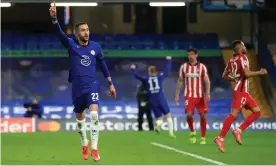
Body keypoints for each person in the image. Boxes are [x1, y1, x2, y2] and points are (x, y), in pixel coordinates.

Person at [49, 2, 116, 161]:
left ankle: (94, 148)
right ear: (77, 33)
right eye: (83, 30)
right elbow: (60, 34)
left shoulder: (96, 47)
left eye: (87, 30)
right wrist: (54, 19)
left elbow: (103, 65)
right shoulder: (71, 45)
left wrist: (110, 83)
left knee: (94, 115)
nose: (86, 33)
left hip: (92, 86)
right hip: (77, 88)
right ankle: (84, 144)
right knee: (80, 121)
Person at [214, 40, 267, 153]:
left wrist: (234, 78)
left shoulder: (232, 60)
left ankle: (238, 130)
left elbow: (224, 76)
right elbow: (247, 73)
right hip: (241, 91)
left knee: (257, 112)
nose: (244, 47)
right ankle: (220, 137)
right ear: (239, 47)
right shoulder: (242, 57)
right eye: (243, 46)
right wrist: (260, 72)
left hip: (243, 91)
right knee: (233, 114)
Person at [130, 56, 176, 138]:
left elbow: (136, 76)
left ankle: (158, 126)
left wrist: (133, 69)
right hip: (160, 98)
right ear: (156, 72)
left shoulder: (146, 79)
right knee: (168, 115)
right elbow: (167, 70)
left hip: (152, 100)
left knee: (160, 117)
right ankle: (171, 133)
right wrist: (169, 61)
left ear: (149, 72)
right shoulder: (160, 77)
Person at [175, 48, 210, 145]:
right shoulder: (184, 67)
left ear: (196, 55)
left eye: (192, 54)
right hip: (188, 95)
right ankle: (192, 131)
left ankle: (203, 137)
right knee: (189, 114)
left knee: (203, 115)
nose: (190, 56)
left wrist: (208, 94)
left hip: (200, 96)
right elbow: (180, 80)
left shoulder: (202, 67)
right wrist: (177, 94)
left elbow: (207, 81)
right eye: (188, 54)